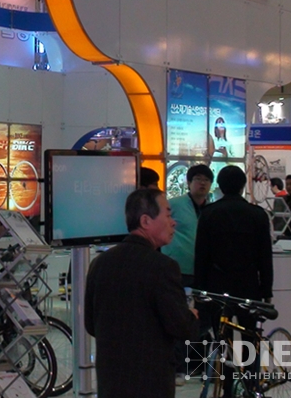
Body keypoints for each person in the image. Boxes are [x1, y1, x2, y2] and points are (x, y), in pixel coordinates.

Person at [84, 188, 198, 397]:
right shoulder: (163, 267)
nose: (173, 222)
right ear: (145, 221)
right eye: (168, 215)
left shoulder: (100, 263)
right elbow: (181, 326)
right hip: (150, 381)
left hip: (110, 380)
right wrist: (191, 316)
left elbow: (91, 324)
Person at [194, 165, 273, 396]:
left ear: (219, 186)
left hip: (218, 286)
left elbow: (201, 256)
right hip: (249, 285)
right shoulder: (257, 215)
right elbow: (265, 258)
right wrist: (266, 290)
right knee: (249, 336)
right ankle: (250, 385)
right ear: (242, 186)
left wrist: (199, 291)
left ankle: (227, 388)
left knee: (222, 339)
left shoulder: (209, 214)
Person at [161, 163, 212, 385]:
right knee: (180, 318)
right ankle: (178, 368)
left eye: (206, 180)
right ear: (189, 182)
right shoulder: (175, 205)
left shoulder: (211, 208)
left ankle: (196, 365)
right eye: (198, 179)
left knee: (202, 320)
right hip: (179, 269)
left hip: (203, 272)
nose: (202, 183)